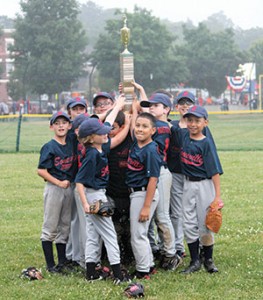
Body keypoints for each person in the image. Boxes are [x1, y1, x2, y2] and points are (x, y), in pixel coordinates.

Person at [75, 97, 130, 284]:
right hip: (93, 196)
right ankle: (118, 274)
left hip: (95, 195)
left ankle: (91, 273)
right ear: (91, 137)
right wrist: (85, 204)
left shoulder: (99, 147)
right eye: (102, 133)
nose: (106, 133)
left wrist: (117, 106)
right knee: (109, 234)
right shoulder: (91, 155)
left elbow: (107, 122)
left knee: (93, 234)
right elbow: (79, 182)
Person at [172, 105, 223, 274]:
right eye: (190, 120)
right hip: (188, 184)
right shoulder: (184, 136)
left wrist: (217, 197)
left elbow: (215, 171)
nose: (193, 124)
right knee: (188, 222)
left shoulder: (206, 143)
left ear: (205, 123)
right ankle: (194, 261)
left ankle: (208, 259)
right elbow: (174, 124)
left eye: (197, 121)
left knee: (205, 223)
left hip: (204, 184)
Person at [139, 93, 182, 271]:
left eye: (156, 105)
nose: (151, 107)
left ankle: (171, 254)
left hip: (161, 172)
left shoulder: (163, 127)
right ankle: (155, 248)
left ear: (166, 109)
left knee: (162, 216)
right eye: (151, 105)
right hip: (150, 172)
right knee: (150, 216)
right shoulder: (154, 124)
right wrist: (140, 90)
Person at [37, 111, 77, 273]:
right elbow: (41, 171)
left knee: (65, 225)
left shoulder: (72, 141)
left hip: (69, 188)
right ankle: (50, 265)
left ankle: (62, 262)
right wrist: (58, 182)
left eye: (64, 122)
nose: (61, 126)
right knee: (50, 226)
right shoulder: (49, 146)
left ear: (69, 125)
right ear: (51, 126)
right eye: (57, 123)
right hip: (55, 188)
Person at [126, 112, 162, 279]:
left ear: (153, 130)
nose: (140, 129)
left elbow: (153, 179)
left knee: (138, 234)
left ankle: (142, 271)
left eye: (145, 126)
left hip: (144, 193)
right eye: (138, 125)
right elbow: (134, 119)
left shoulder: (151, 150)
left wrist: (146, 207)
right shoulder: (137, 144)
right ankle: (149, 265)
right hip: (137, 194)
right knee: (142, 233)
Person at [168, 91, 196, 259]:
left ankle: (197, 244)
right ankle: (178, 246)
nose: (185, 105)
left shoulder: (199, 126)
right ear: (176, 106)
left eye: (189, 102)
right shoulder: (172, 126)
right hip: (176, 173)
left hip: (193, 175)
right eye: (182, 102)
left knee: (194, 211)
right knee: (177, 212)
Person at [106, 110, 134, 265]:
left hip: (128, 191)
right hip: (112, 191)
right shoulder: (106, 143)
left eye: (114, 128)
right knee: (115, 228)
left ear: (123, 127)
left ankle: (130, 254)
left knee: (130, 229)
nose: (110, 132)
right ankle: (115, 257)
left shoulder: (131, 140)